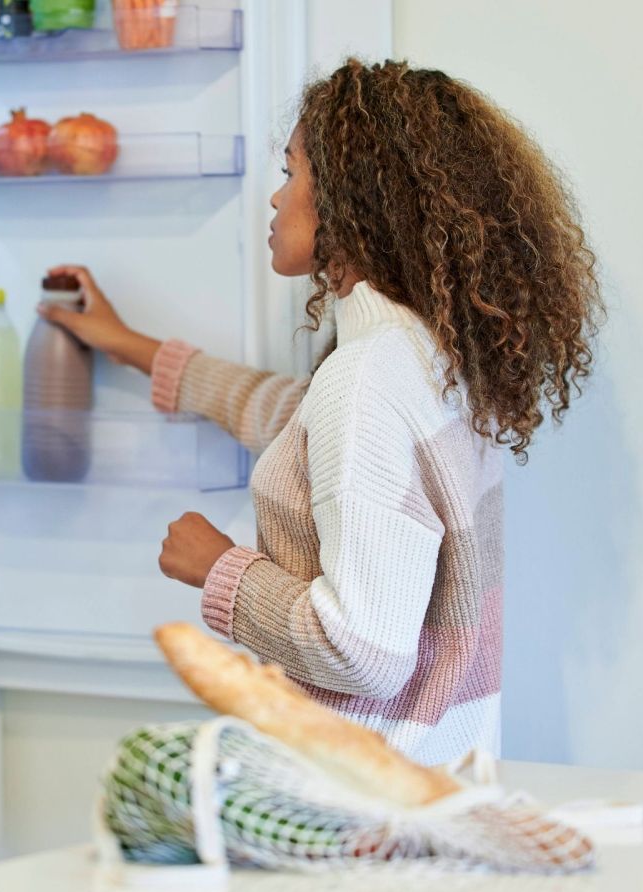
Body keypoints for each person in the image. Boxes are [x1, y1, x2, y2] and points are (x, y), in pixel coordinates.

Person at [38, 59, 602, 765]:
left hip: (356, 802)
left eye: (292, 172)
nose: (276, 199)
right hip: (437, 780)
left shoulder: (366, 378)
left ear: (354, 196)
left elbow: (362, 652)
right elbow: (292, 419)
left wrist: (220, 567)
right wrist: (131, 346)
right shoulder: (424, 354)